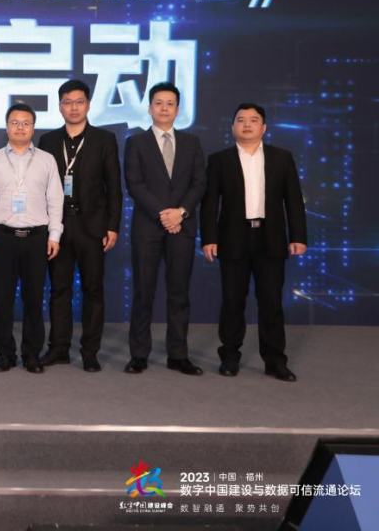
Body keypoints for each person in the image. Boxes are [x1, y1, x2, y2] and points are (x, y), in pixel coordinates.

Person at [201, 103, 306, 382]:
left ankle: (275, 361)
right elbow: (210, 203)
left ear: (264, 127)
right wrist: (209, 238)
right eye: (241, 120)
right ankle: (229, 357)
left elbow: (293, 200)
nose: (247, 124)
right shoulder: (220, 160)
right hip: (232, 237)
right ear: (233, 127)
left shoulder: (281, 158)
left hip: (270, 237)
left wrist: (298, 236)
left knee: (271, 301)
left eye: (253, 120)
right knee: (232, 301)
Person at [37, 80, 122, 373]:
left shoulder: (104, 139)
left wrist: (112, 226)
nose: (73, 107)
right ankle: (59, 348)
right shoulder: (48, 141)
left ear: (88, 104)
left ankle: (90, 351)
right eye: (67, 102)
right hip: (58, 226)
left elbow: (114, 187)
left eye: (79, 101)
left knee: (92, 290)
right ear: (60, 106)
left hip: (92, 227)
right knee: (59, 289)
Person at [123, 82, 207, 376]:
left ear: (178, 110)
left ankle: (178, 355)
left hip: (182, 226)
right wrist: (164, 213)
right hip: (148, 227)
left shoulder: (192, 143)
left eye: (170, 104)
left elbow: (199, 183)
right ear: (149, 108)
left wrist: (180, 213)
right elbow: (134, 184)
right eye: (158, 103)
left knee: (179, 293)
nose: (164, 108)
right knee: (143, 292)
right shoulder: (136, 143)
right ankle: (139, 355)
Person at [0, 102, 63, 374]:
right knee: (3, 299)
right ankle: (5, 354)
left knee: (34, 299)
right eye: (15, 123)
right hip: (3, 237)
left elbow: (55, 199)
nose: (20, 128)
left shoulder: (47, 160)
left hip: (38, 238)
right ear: (7, 127)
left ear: (33, 128)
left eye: (26, 123)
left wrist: (55, 234)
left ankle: (31, 353)